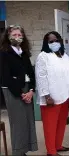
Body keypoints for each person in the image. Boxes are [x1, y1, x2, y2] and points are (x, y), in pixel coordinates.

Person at [35, 31, 69, 156]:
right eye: (51, 41)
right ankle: (51, 151)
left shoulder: (64, 56)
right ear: (46, 43)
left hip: (65, 95)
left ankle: (58, 145)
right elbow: (41, 77)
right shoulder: (43, 56)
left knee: (61, 123)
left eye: (56, 40)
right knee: (50, 126)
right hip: (51, 98)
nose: (54, 43)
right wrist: (47, 96)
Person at [0, 25, 38, 155]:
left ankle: (25, 150)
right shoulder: (4, 53)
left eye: (19, 35)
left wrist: (32, 90)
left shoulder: (24, 52)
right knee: (18, 123)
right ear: (8, 36)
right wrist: (21, 94)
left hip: (27, 89)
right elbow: (6, 77)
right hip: (13, 90)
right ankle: (18, 152)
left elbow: (31, 73)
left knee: (28, 122)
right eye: (14, 35)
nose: (17, 37)